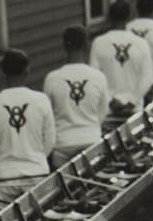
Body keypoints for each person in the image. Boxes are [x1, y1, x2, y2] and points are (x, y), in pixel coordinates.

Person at [0, 49, 57, 205]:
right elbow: (50, 140)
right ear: (27, 70)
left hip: (5, 177)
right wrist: (37, 157)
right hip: (37, 174)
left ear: (3, 71)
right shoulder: (41, 99)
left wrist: (3, 160)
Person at [43, 25, 110, 169]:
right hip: (91, 141)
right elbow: (103, 112)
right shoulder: (98, 77)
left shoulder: (52, 78)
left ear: (64, 47)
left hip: (63, 145)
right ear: (87, 45)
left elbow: (48, 117)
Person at [89, 0, 153, 110]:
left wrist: (110, 101)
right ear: (128, 17)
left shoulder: (99, 43)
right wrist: (133, 101)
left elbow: (94, 78)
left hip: (109, 109)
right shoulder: (141, 43)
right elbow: (147, 78)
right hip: (134, 109)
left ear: (109, 17)